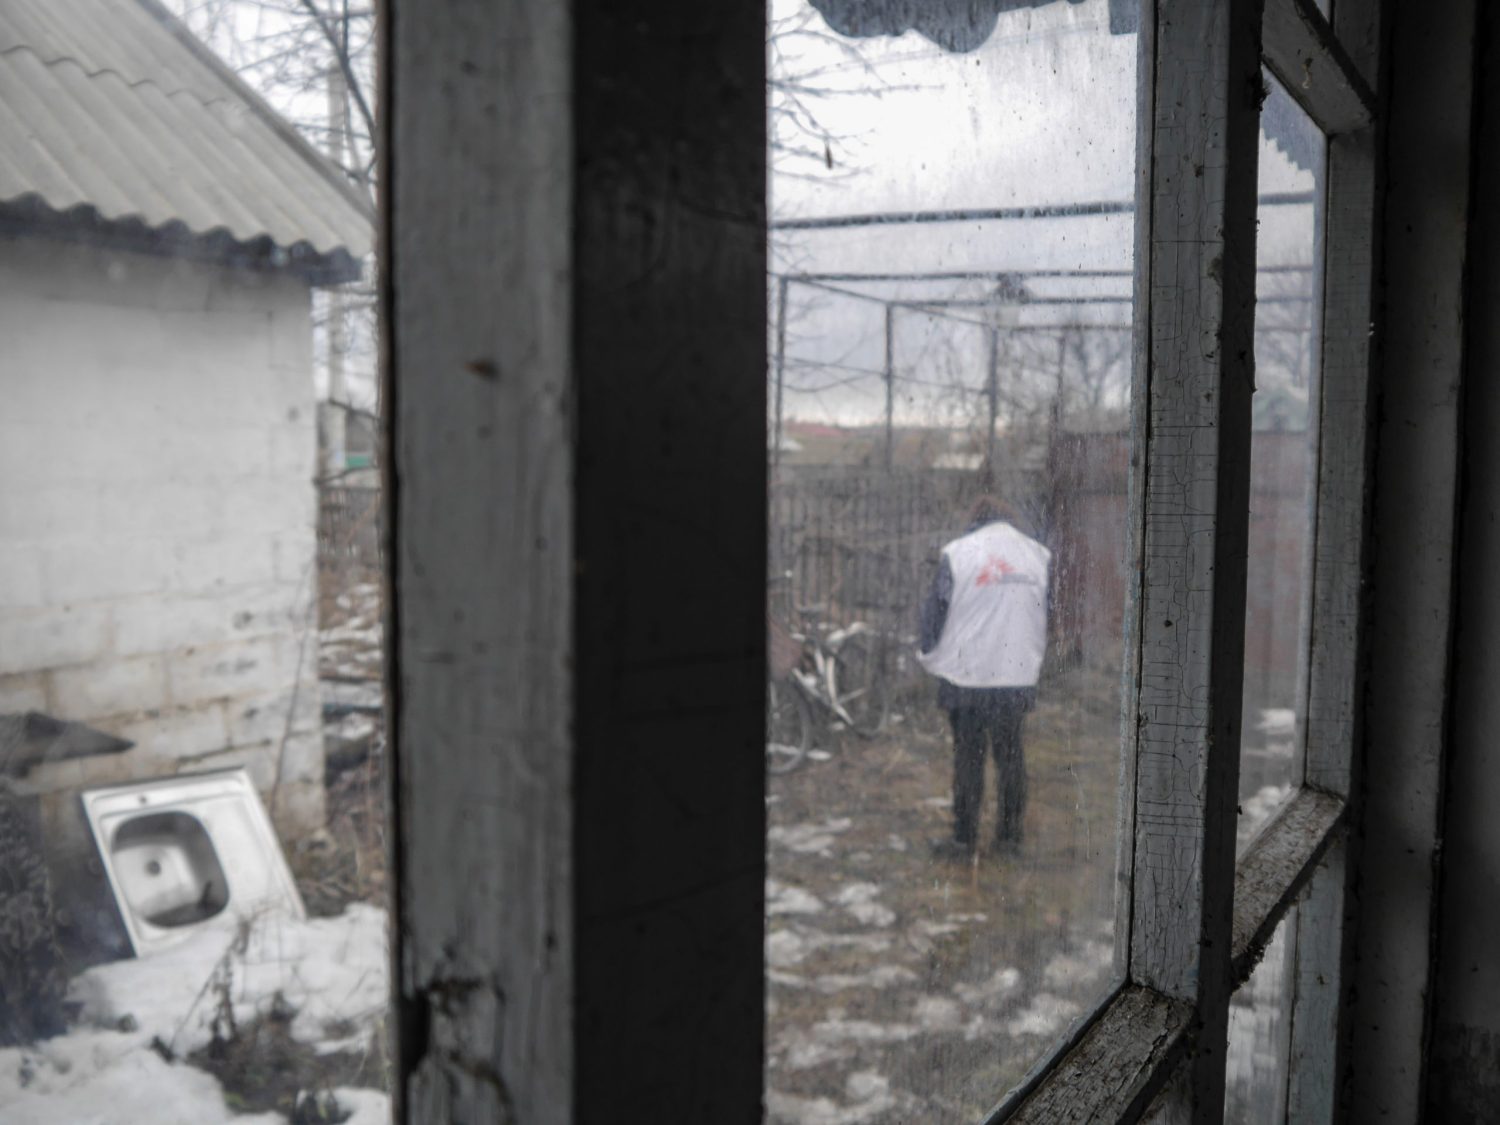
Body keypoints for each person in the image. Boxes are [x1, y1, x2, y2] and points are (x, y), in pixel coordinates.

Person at [918, 496, 1050, 861]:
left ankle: (963, 841)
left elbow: (935, 612)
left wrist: (928, 656)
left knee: (968, 758)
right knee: (1011, 756)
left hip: (967, 676)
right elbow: (1050, 613)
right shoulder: (1038, 556)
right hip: (1015, 674)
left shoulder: (958, 553)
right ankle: (1009, 840)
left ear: (973, 520)